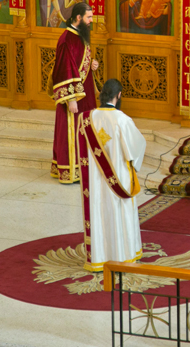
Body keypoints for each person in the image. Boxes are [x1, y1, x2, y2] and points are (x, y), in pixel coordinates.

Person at [77, 78, 145, 272]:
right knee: (119, 215)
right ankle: (122, 256)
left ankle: (100, 258)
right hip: (118, 179)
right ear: (119, 95)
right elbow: (136, 147)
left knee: (100, 214)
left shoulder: (87, 118)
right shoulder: (122, 120)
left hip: (96, 181)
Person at [47, 3, 99, 184]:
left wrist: (91, 64)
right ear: (78, 18)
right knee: (72, 132)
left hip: (85, 95)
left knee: (84, 130)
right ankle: (70, 170)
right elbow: (63, 70)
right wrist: (71, 100)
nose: (91, 21)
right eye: (89, 17)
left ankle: (84, 167)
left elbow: (78, 63)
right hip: (74, 98)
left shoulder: (79, 35)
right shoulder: (66, 39)